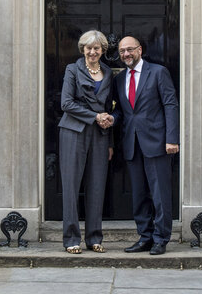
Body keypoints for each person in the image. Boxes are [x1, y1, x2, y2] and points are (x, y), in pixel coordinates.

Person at [112, 35, 179, 256]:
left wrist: (172, 139)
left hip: (158, 143)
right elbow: (123, 112)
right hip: (132, 143)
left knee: (160, 194)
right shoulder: (120, 79)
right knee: (139, 194)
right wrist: (111, 119)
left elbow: (170, 104)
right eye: (122, 51)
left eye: (130, 49)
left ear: (140, 50)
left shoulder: (158, 72)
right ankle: (145, 237)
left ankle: (161, 238)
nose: (126, 54)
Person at [58, 29, 114, 254]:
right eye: (89, 48)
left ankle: (94, 237)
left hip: (100, 135)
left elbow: (109, 104)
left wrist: (110, 138)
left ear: (102, 50)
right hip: (74, 131)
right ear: (83, 49)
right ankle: (71, 238)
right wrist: (94, 116)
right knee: (71, 186)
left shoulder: (108, 73)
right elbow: (66, 103)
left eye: (97, 48)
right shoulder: (72, 69)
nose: (92, 52)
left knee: (97, 186)